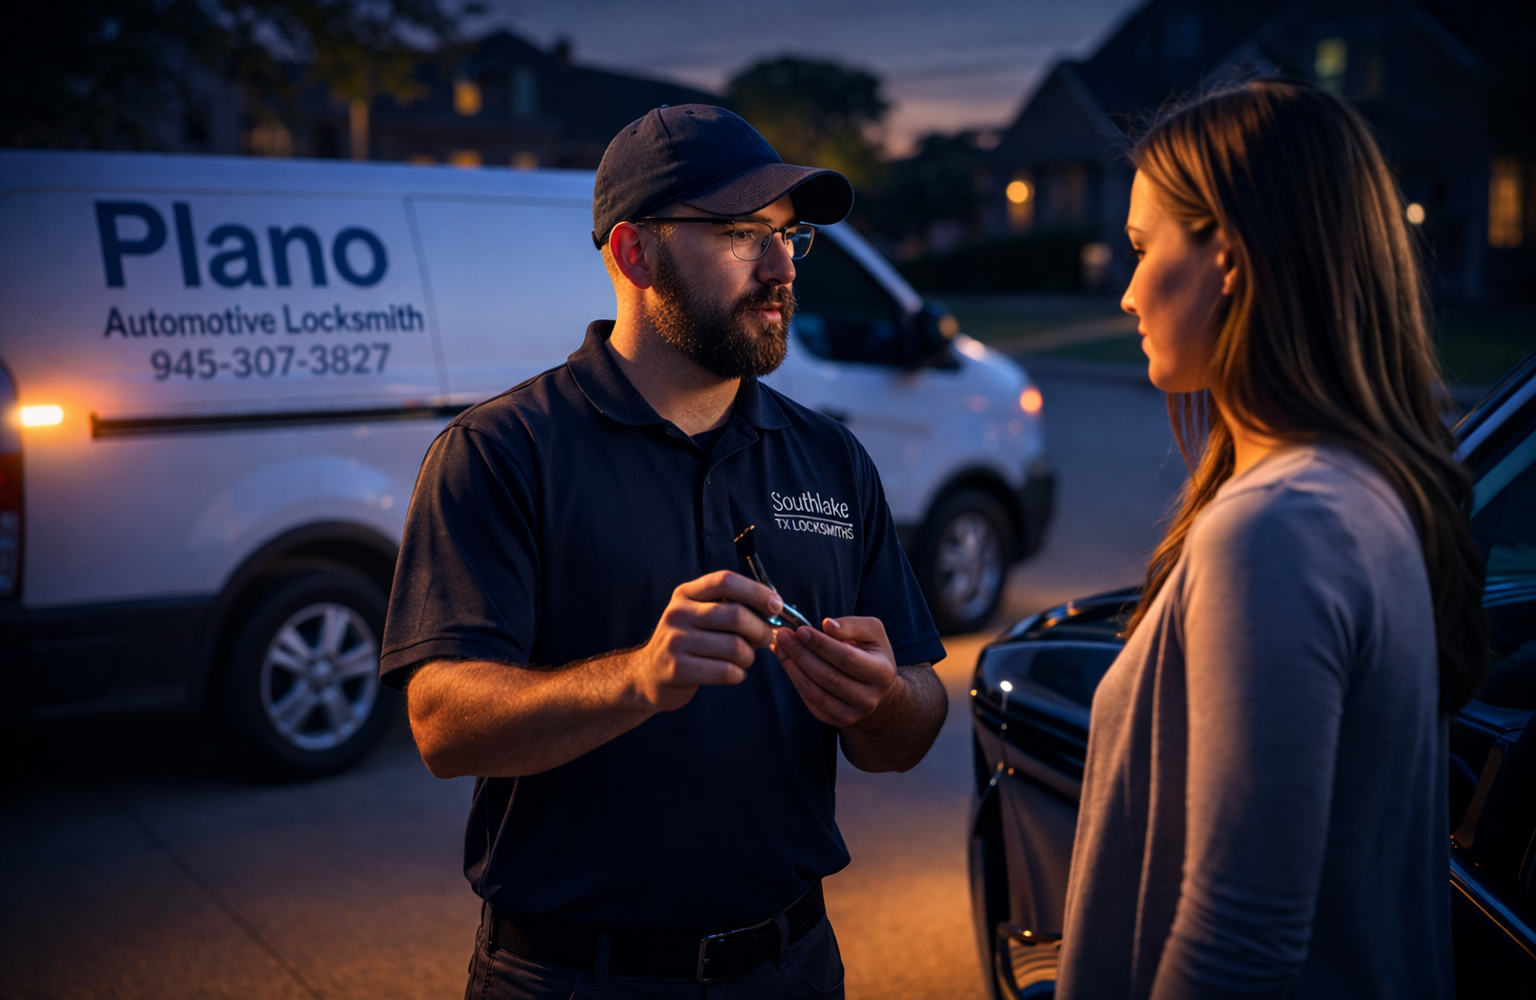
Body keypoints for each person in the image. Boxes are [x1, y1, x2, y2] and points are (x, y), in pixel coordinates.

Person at [379, 104, 949, 999]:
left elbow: (911, 722)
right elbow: (443, 725)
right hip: (575, 976)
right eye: (736, 233)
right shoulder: (502, 452)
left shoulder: (830, 458)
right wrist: (639, 678)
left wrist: (879, 699)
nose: (779, 269)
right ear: (634, 254)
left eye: (787, 237)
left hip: (793, 965)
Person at [1056, 80, 1488, 1000]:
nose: (1128, 293)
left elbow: (1235, 946)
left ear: (1231, 255)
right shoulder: (1367, 493)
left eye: (1143, 249)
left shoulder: (1278, 533)